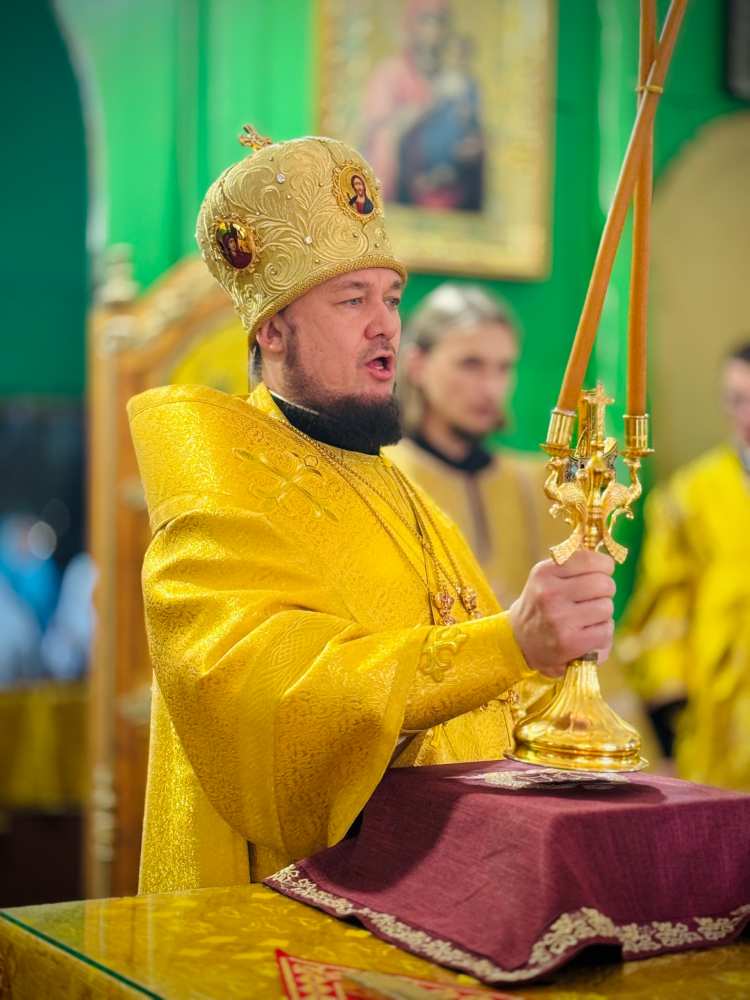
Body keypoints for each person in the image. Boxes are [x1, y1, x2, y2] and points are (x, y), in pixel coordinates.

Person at [128, 130, 616, 893]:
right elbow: (283, 705)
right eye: (352, 299)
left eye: (391, 298)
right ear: (273, 329)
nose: (386, 323)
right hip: (294, 907)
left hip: (440, 889)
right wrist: (511, 640)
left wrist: (566, 693)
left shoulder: (392, 483)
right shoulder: (217, 495)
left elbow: (486, 692)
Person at [618, 341, 750, 789]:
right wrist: (670, 713)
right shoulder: (689, 495)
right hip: (716, 712)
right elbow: (665, 604)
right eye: (736, 399)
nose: (746, 415)